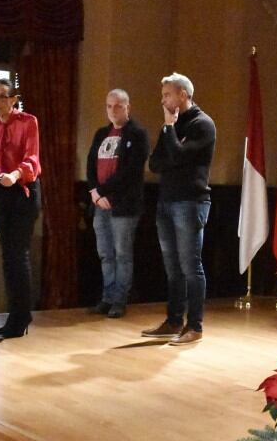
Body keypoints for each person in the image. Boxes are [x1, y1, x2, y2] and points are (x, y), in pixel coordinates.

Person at [143, 72, 215, 346]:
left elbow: (176, 155)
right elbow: (155, 163)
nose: (163, 100)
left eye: (167, 95)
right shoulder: (170, 126)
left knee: (190, 266)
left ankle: (194, 326)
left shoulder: (202, 124)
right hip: (166, 201)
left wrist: (169, 129)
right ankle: (174, 320)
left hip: (190, 202)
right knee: (172, 267)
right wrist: (170, 135)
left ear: (183, 95)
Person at [0, 78, 41, 338]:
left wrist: (16, 175)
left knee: (18, 255)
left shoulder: (28, 122)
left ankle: (21, 317)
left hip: (22, 191)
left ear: (14, 99)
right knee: (7, 256)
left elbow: (32, 159)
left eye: (2, 96)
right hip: (0, 191)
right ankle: (14, 315)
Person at [85, 88, 149, 318]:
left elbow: (131, 172)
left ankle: (120, 300)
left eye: (118, 106)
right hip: (99, 203)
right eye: (109, 106)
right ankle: (107, 297)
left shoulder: (138, 134)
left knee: (122, 253)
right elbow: (91, 164)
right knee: (105, 253)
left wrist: (104, 192)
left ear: (127, 107)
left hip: (124, 205)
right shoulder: (101, 133)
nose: (113, 110)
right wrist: (95, 192)